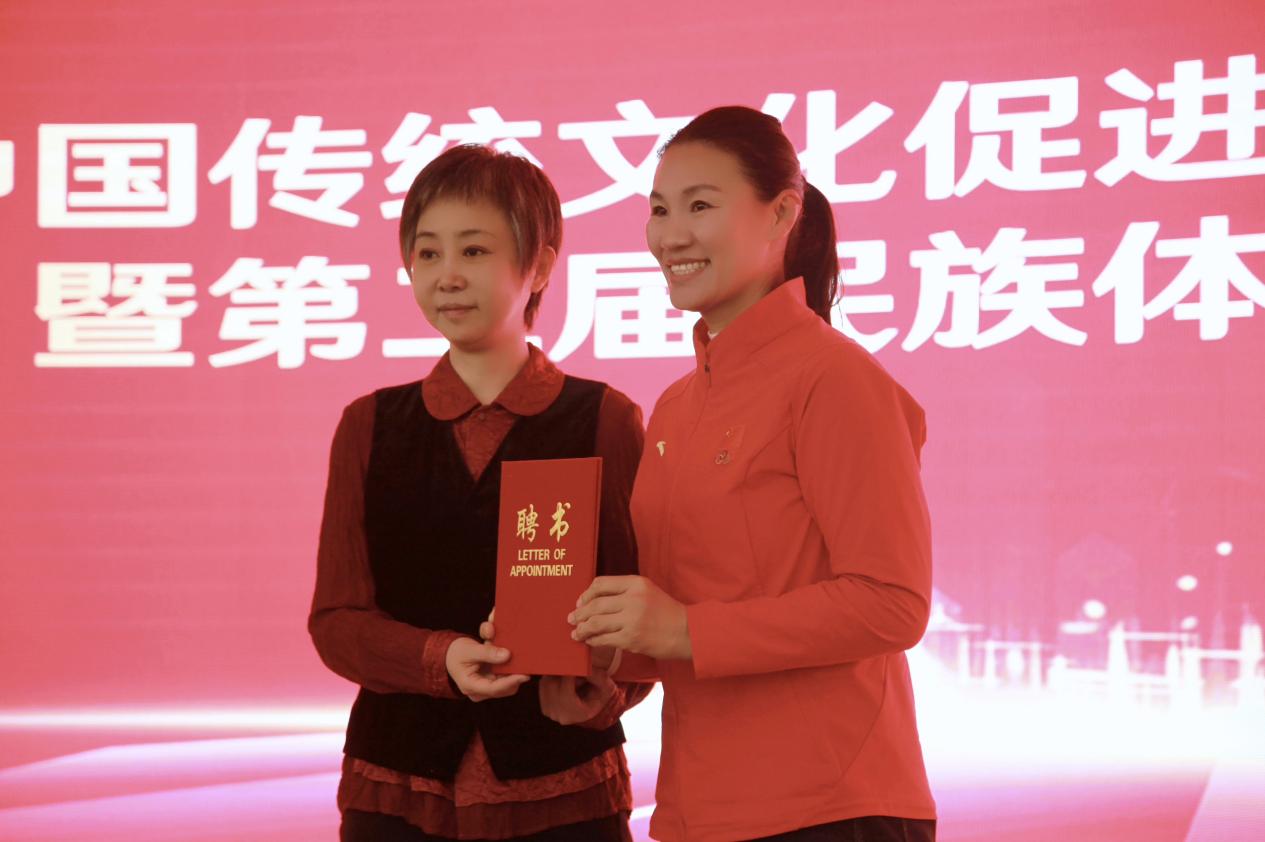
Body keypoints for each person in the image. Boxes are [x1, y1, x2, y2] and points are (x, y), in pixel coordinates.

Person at [564, 107, 938, 841]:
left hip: (830, 806)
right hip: (700, 807)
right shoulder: (675, 406)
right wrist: (599, 652)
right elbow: (690, 607)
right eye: (659, 210)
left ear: (781, 214)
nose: (671, 235)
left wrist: (682, 628)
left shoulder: (835, 378)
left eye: (700, 206)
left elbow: (892, 602)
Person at [309, 144, 650, 842]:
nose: (447, 276)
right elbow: (337, 621)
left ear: (540, 266)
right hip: (397, 786)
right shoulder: (369, 424)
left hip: (562, 789)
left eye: (473, 250)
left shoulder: (604, 418)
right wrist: (440, 658)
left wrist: (598, 689)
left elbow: (639, 615)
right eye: (427, 253)